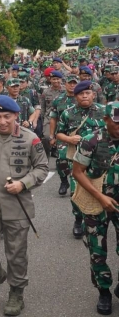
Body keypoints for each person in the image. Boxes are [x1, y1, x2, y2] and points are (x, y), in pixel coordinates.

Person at [0, 95, 48, 316]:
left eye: (7, 116)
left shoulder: (30, 139)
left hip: (18, 206)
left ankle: (16, 292)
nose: (2, 121)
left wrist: (24, 183)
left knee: (16, 254)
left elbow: (42, 168)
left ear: (15, 115)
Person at [72, 101, 119, 315]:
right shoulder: (92, 140)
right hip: (97, 201)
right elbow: (78, 171)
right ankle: (104, 291)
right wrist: (100, 196)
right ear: (106, 119)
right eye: (116, 122)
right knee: (97, 250)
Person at [56, 80, 106, 239]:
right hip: (78, 160)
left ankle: (100, 219)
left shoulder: (105, 111)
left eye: (87, 93)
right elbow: (59, 133)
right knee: (76, 191)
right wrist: (69, 139)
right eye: (81, 94)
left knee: (105, 190)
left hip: (102, 159)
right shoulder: (67, 113)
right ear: (75, 96)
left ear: (93, 94)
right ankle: (78, 219)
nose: (84, 96)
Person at [49, 74, 78, 196]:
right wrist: (51, 136)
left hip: (79, 135)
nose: (72, 85)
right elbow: (53, 118)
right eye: (70, 83)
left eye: (74, 83)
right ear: (65, 84)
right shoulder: (58, 100)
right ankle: (64, 181)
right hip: (62, 135)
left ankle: (75, 187)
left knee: (76, 161)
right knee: (61, 160)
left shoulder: (81, 98)